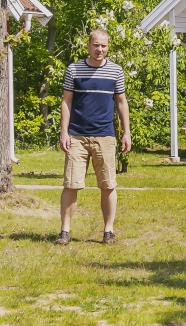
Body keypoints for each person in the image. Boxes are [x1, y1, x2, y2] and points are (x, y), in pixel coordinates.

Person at [56, 29, 131, 246]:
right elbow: (66, 102)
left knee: (108, 185)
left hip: (105, 136)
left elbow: (121, 102)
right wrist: (64, 131)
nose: (100, 49)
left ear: (108, 47)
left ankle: (108, 231)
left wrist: (126, 132)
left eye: (104, 46)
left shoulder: (116, 71)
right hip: (77, 137)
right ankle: (65, 231)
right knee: (71, 184)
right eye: (96, 45)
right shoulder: (74, 70)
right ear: (88, 46)